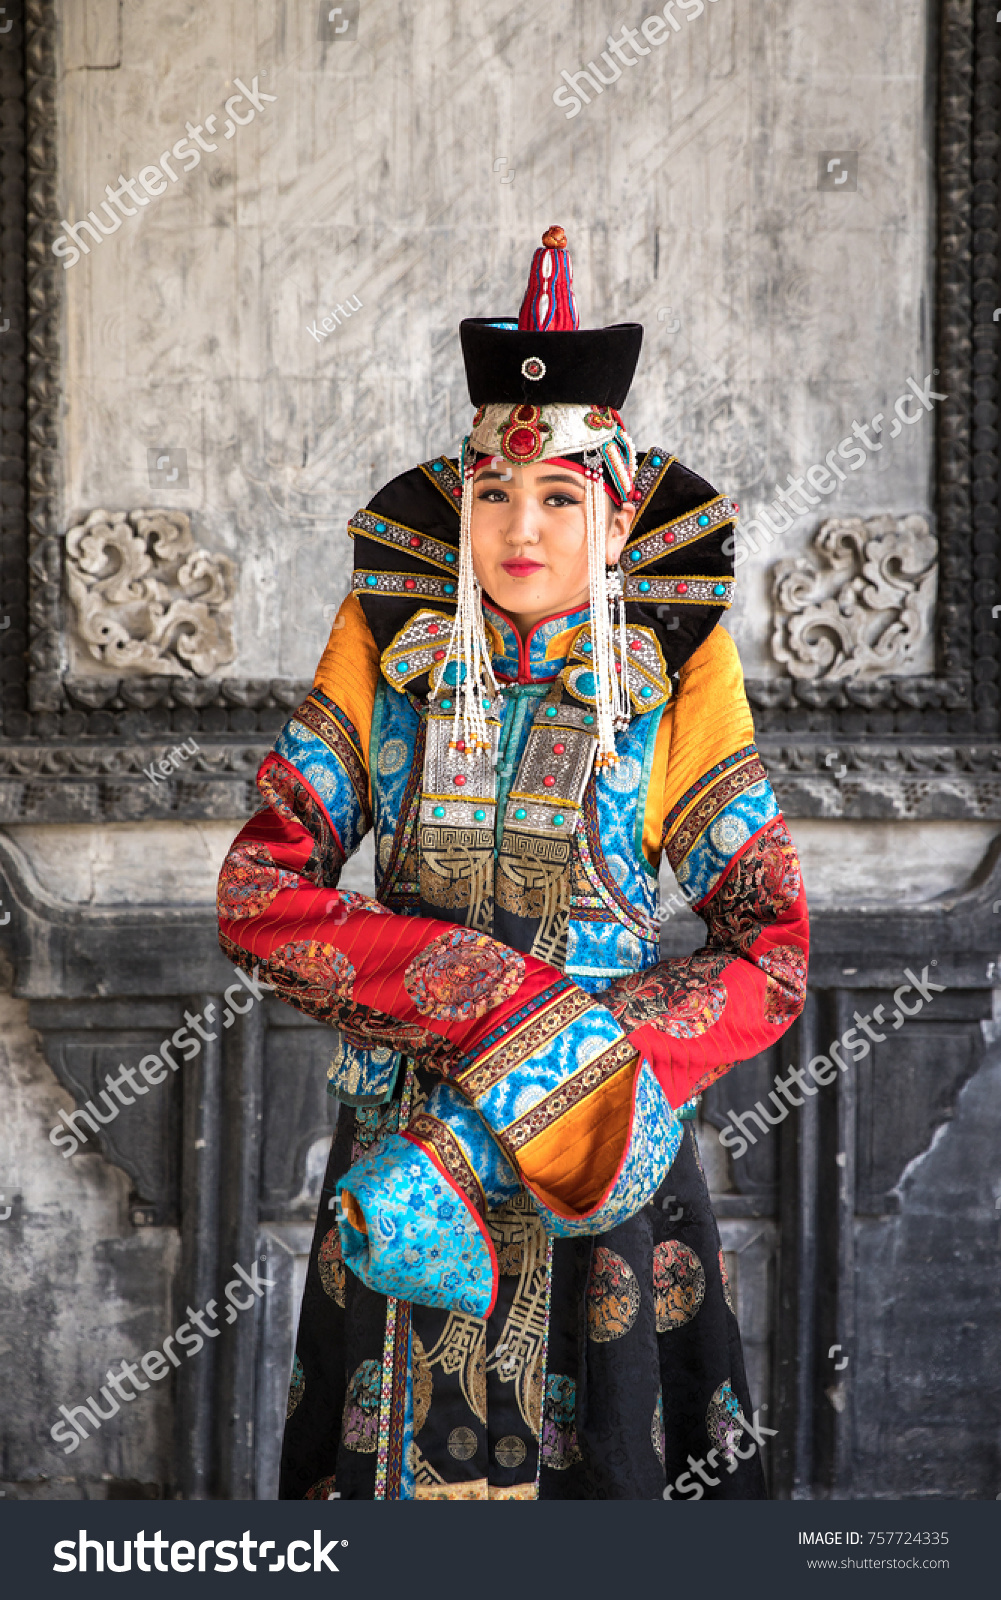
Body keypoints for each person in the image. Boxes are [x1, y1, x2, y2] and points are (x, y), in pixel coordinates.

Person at [217, 226, 809, 1501]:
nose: (520, 527)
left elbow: (772, 951)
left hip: (600, 1160)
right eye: (493, 493)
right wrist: (486, 991)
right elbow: (263, 892)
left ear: (616, 512)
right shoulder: (391, 655)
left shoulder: (670, 684)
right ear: (459, 502)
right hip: (402, 1135)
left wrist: (574, 1065)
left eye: (557, 496)